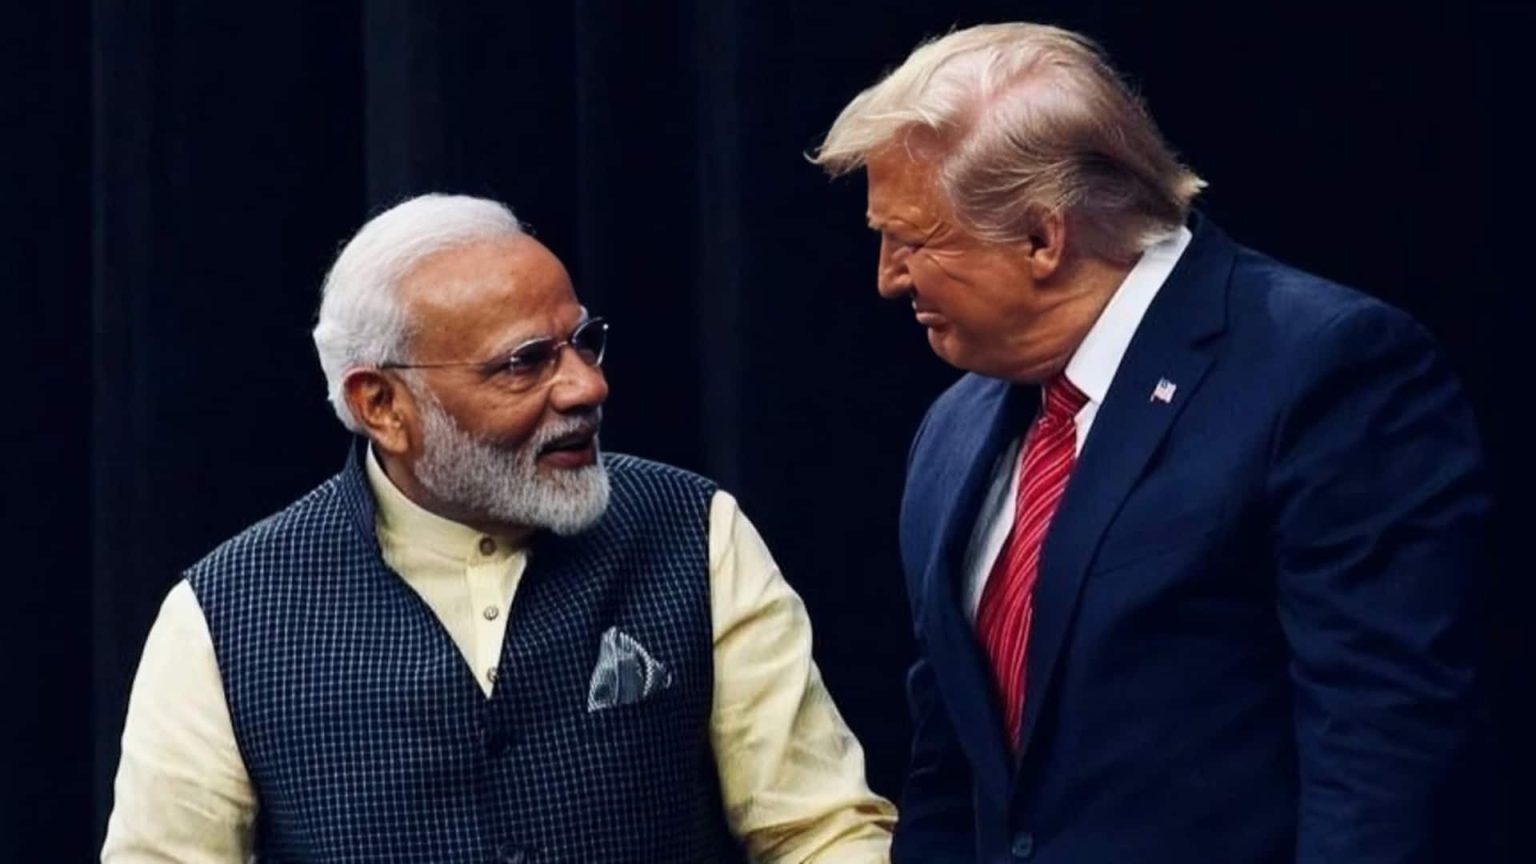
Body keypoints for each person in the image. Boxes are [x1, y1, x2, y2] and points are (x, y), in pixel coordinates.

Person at [812, 22, 1495, 864]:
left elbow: (1380, 752)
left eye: (915, 240)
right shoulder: (954, 430)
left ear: (1043, 237)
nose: (888, 277)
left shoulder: (1323, 371)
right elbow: (949, 771)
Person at [101, 193, 896, 863]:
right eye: (525, 362)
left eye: (583, 343)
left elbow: (819, 832)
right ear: (382, 405)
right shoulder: (225, 612)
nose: (586, 387)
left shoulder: (694, 530)